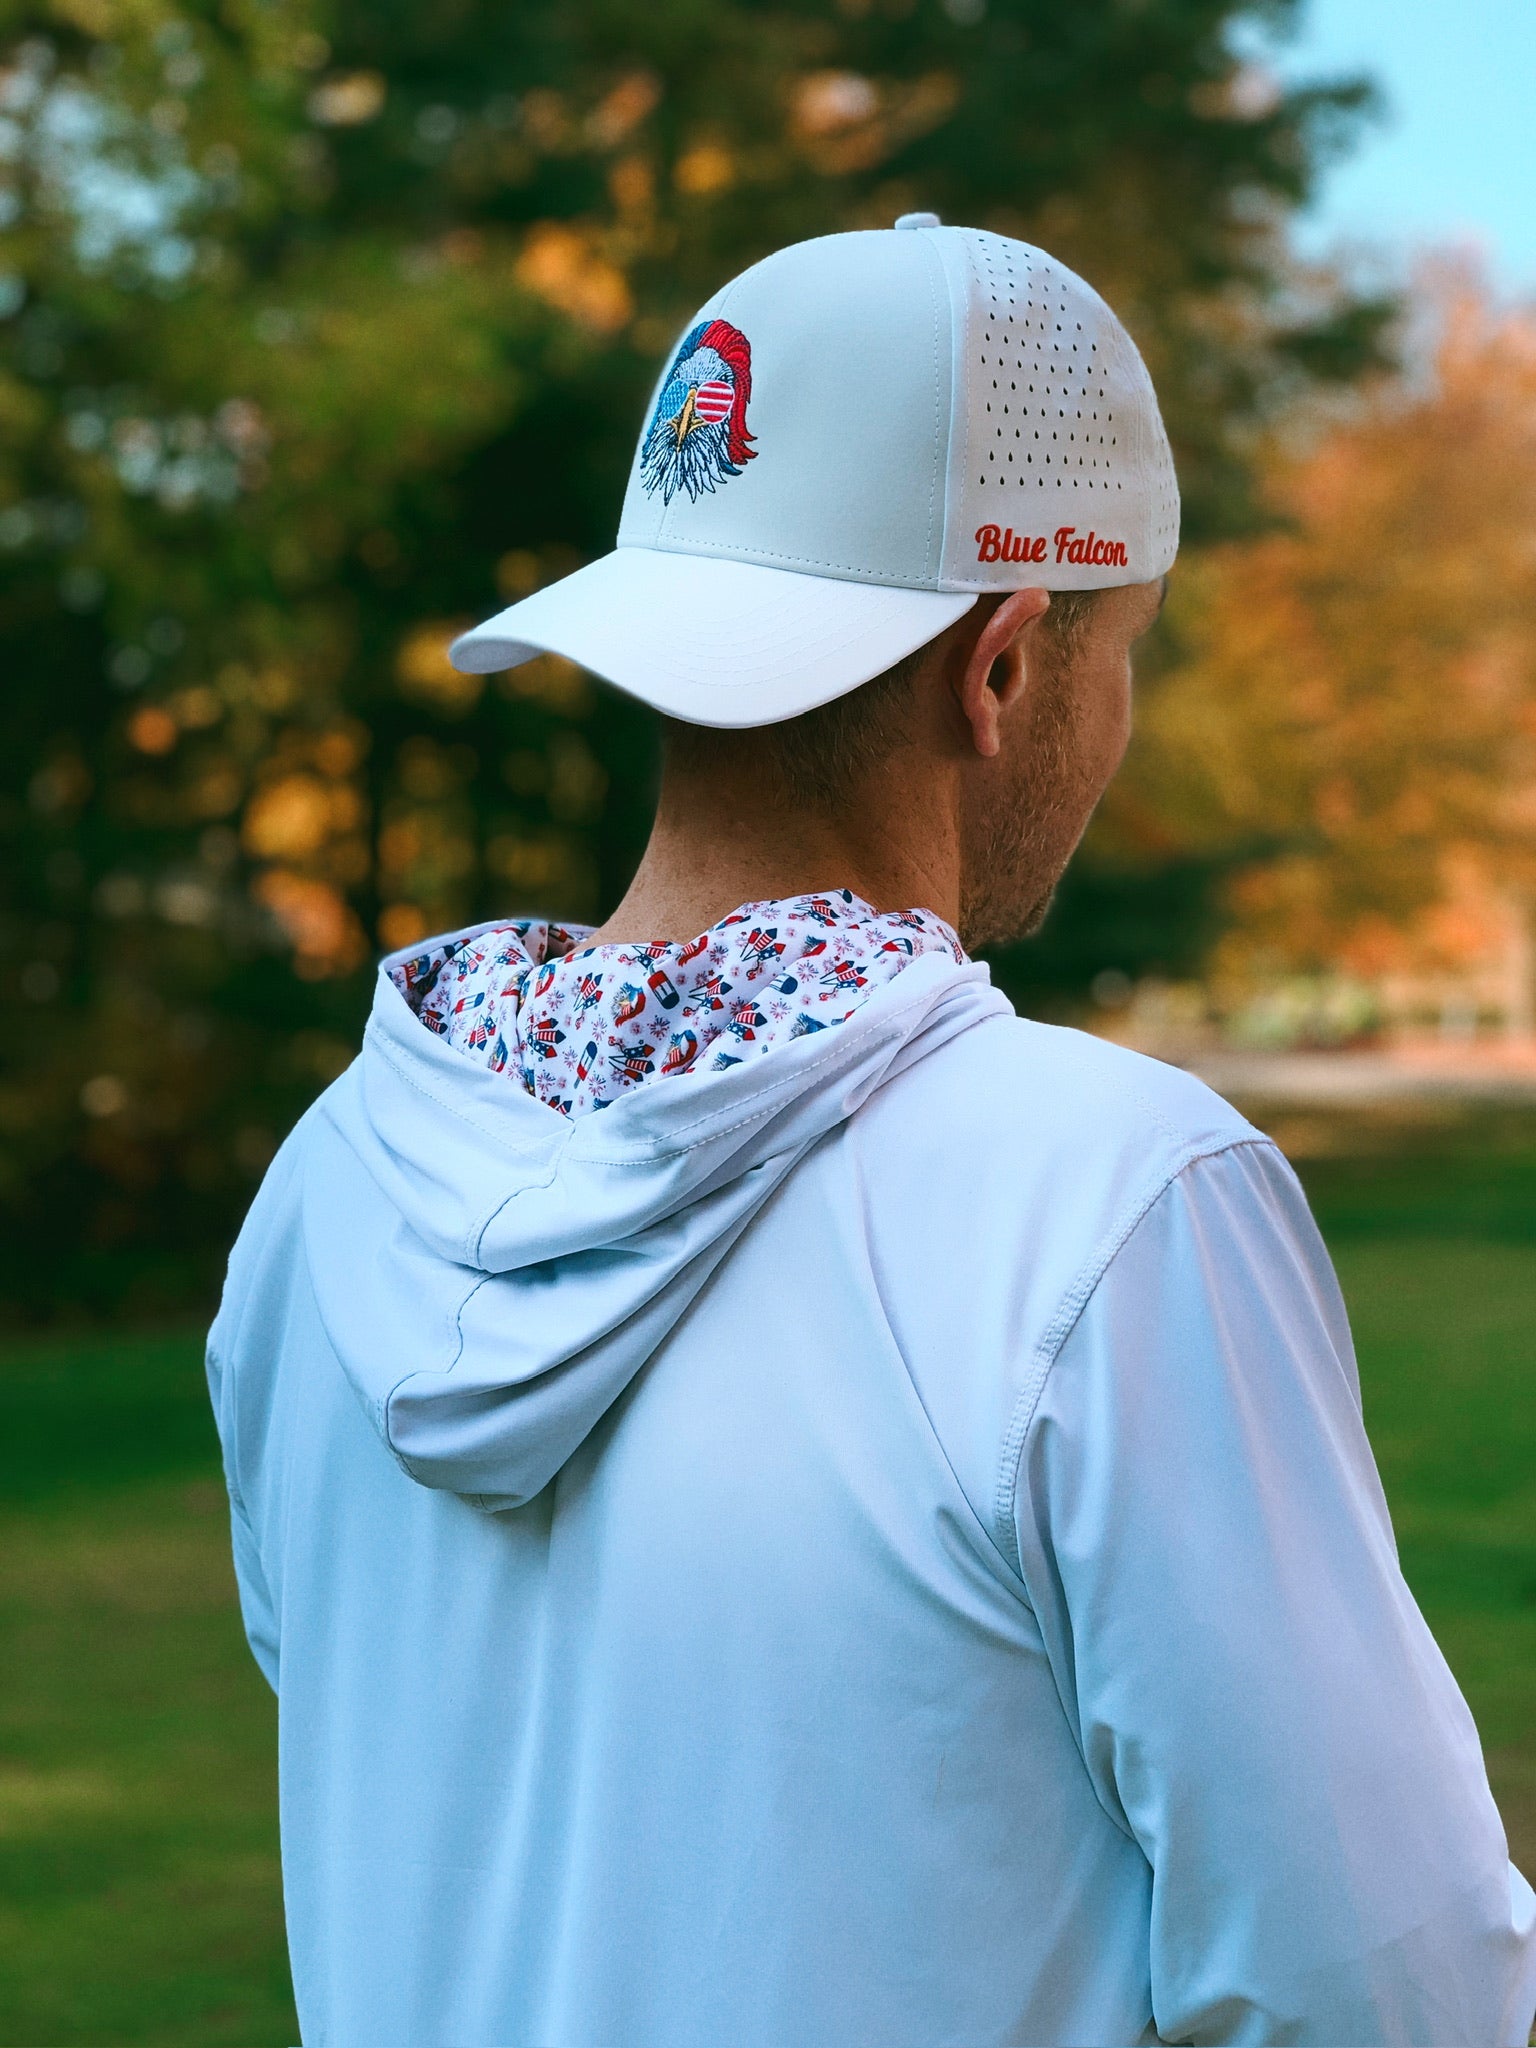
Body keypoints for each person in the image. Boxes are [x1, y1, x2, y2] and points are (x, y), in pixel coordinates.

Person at [208, 217, 1536, 2047]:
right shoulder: (1112, 1202)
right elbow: (1389, 1982)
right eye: (1118, 648)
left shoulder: (329, 1190)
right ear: (1000, 667)